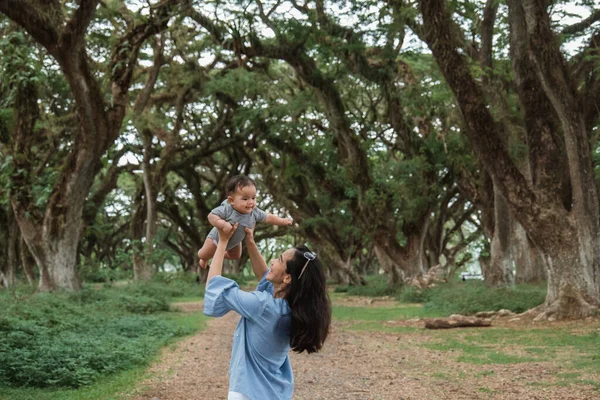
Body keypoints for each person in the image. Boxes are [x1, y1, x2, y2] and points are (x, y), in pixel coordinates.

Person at [203, 223, 332, 400]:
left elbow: (215, 288)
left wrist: (222, 242)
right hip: (273, 392)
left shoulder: (263, 306)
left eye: (279, 260)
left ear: (287, 278)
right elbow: (266, 277)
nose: (272, 261)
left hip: (247, 393)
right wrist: (250, 241)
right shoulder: (291, 307)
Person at [198, 175, 293, 269]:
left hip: (235, 241)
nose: (251, 202)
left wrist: (283, 221)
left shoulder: (254, 211)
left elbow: (268, 217)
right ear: (231, 200)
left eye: (253, 198)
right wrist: (222, 224)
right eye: (245, 199)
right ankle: (205, 258)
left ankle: (216, 255)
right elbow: (211, 216)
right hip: (216, 240)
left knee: (235, 256)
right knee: (202, 254)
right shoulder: (228, 209)